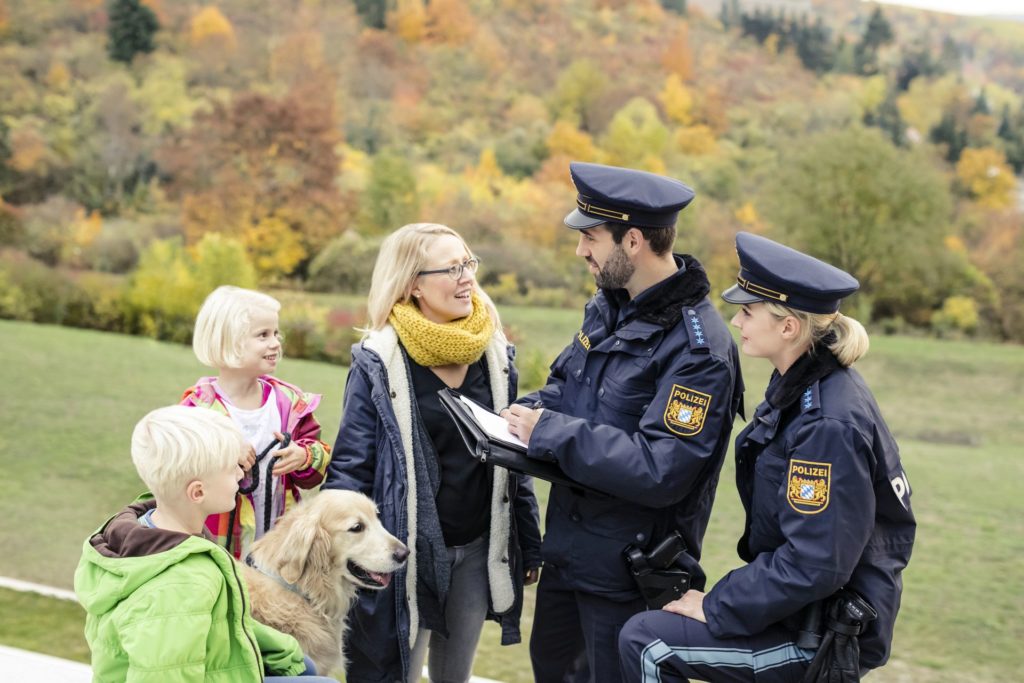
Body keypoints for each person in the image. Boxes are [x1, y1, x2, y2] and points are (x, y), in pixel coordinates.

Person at [618, 232, 917, 683]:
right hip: (802, 610)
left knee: (648, 642)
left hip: (822, 636)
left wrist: (718, 605)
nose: (736, 322)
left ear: (788, 327)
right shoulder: (805, 388)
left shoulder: (827, 423)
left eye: (747, 311)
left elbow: (815, 562)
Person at [504, 162, 744, 683]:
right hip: (567, 557)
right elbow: (568, 391)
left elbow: (662, 468)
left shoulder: (699, 348)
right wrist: (515, 414)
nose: (580, 250)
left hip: (626, 577)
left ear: (632, 241)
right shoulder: (609, 308)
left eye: (590, 237)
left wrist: (546, 431)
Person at [323, 223, 543, 683]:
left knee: (453, 677)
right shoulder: (379, 361)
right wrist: (340, 551)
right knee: (388, 673)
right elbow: (351, 465)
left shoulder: (495, 355)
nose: (466, 277)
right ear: (413, 285)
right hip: (402, 551)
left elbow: (512, 460)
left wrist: (529, 539)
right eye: (450, 268)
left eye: (468, 264)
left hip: (478, 549)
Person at [74, 405, 337, 682]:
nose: (240, 474)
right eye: (231, 469)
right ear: (198, 492)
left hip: (215, 664)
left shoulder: (158, 534)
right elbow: (164, 675)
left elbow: (228, 620)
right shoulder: (181, 584)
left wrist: (285, 651)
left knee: (305, 668)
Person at [181, 285, 331, 559]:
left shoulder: (289, 402)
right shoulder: (197, 410)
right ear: (229, 342)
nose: (275, 342)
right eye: (263, 335)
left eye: (276, 333)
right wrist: (222, 450)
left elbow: (317, 462)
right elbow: (178, 475)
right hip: (218, 550)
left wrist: (305, 456)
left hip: (278, 550)